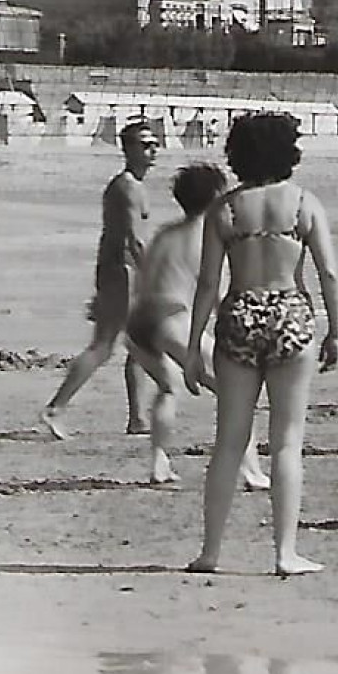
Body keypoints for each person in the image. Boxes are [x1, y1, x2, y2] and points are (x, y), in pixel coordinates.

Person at [183, 112, 338, 577]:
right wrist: (336, 330)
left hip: (239, 314)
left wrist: (194, 347)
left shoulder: (225, 210)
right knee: (288, 442)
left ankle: (211, 552)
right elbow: (329, 272)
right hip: (290, 312)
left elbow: (208, 284)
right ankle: (285, 553)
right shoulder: (304, 204)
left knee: (229, 441)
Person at [126, 162, 267, 487]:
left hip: (136, 322)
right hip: (170, 316)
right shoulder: (207, 235)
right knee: (237, 391)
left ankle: (159, 463)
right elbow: (214, 293)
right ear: (217, 197)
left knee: (167, 385)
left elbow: (144, 276)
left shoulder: (166, 232)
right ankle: (251, 470)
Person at [41, 119, 160, 440]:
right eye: (145, 145)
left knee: (138, 344)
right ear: (127, 148)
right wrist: (154, 277)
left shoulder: (130, 185)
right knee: (104, 345)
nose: (153, 150)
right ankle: (55, 408)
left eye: (155, 144)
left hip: (118, 271)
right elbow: (134, 241)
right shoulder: (128, 187)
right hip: (122, 272)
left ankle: (137, 418)